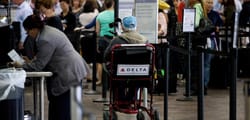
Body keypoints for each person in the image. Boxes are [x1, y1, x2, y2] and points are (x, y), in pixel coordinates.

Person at [13, 14, 88, 120]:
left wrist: (21, 65)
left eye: (28, 32)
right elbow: (43, 57)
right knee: (61, 110)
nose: (28, 35)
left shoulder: (45, 39)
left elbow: (38, 65)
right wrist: (30, 62)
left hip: (69, 73)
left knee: (64, 111)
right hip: (72, 70)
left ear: (34, 29)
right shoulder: (47, 31)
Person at [104, 16, 148, 101]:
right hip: (140, 72)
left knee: (114, 74)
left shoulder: (117, 40)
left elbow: (106, 56)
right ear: (136, 26)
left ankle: (120, 99)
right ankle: (131, 98)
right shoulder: (144, 41)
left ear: (123, 27)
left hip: (120, 71)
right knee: (137, 80)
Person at [95, 0, 115, 85]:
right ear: (113, 4)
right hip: (114, 39)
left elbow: (97, 31)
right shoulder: (116, 14)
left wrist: (97, 43)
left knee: (101, 61)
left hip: (103, 40)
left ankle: (100, 80)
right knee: (113, 60)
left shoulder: (100, 15)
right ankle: (112, 80)